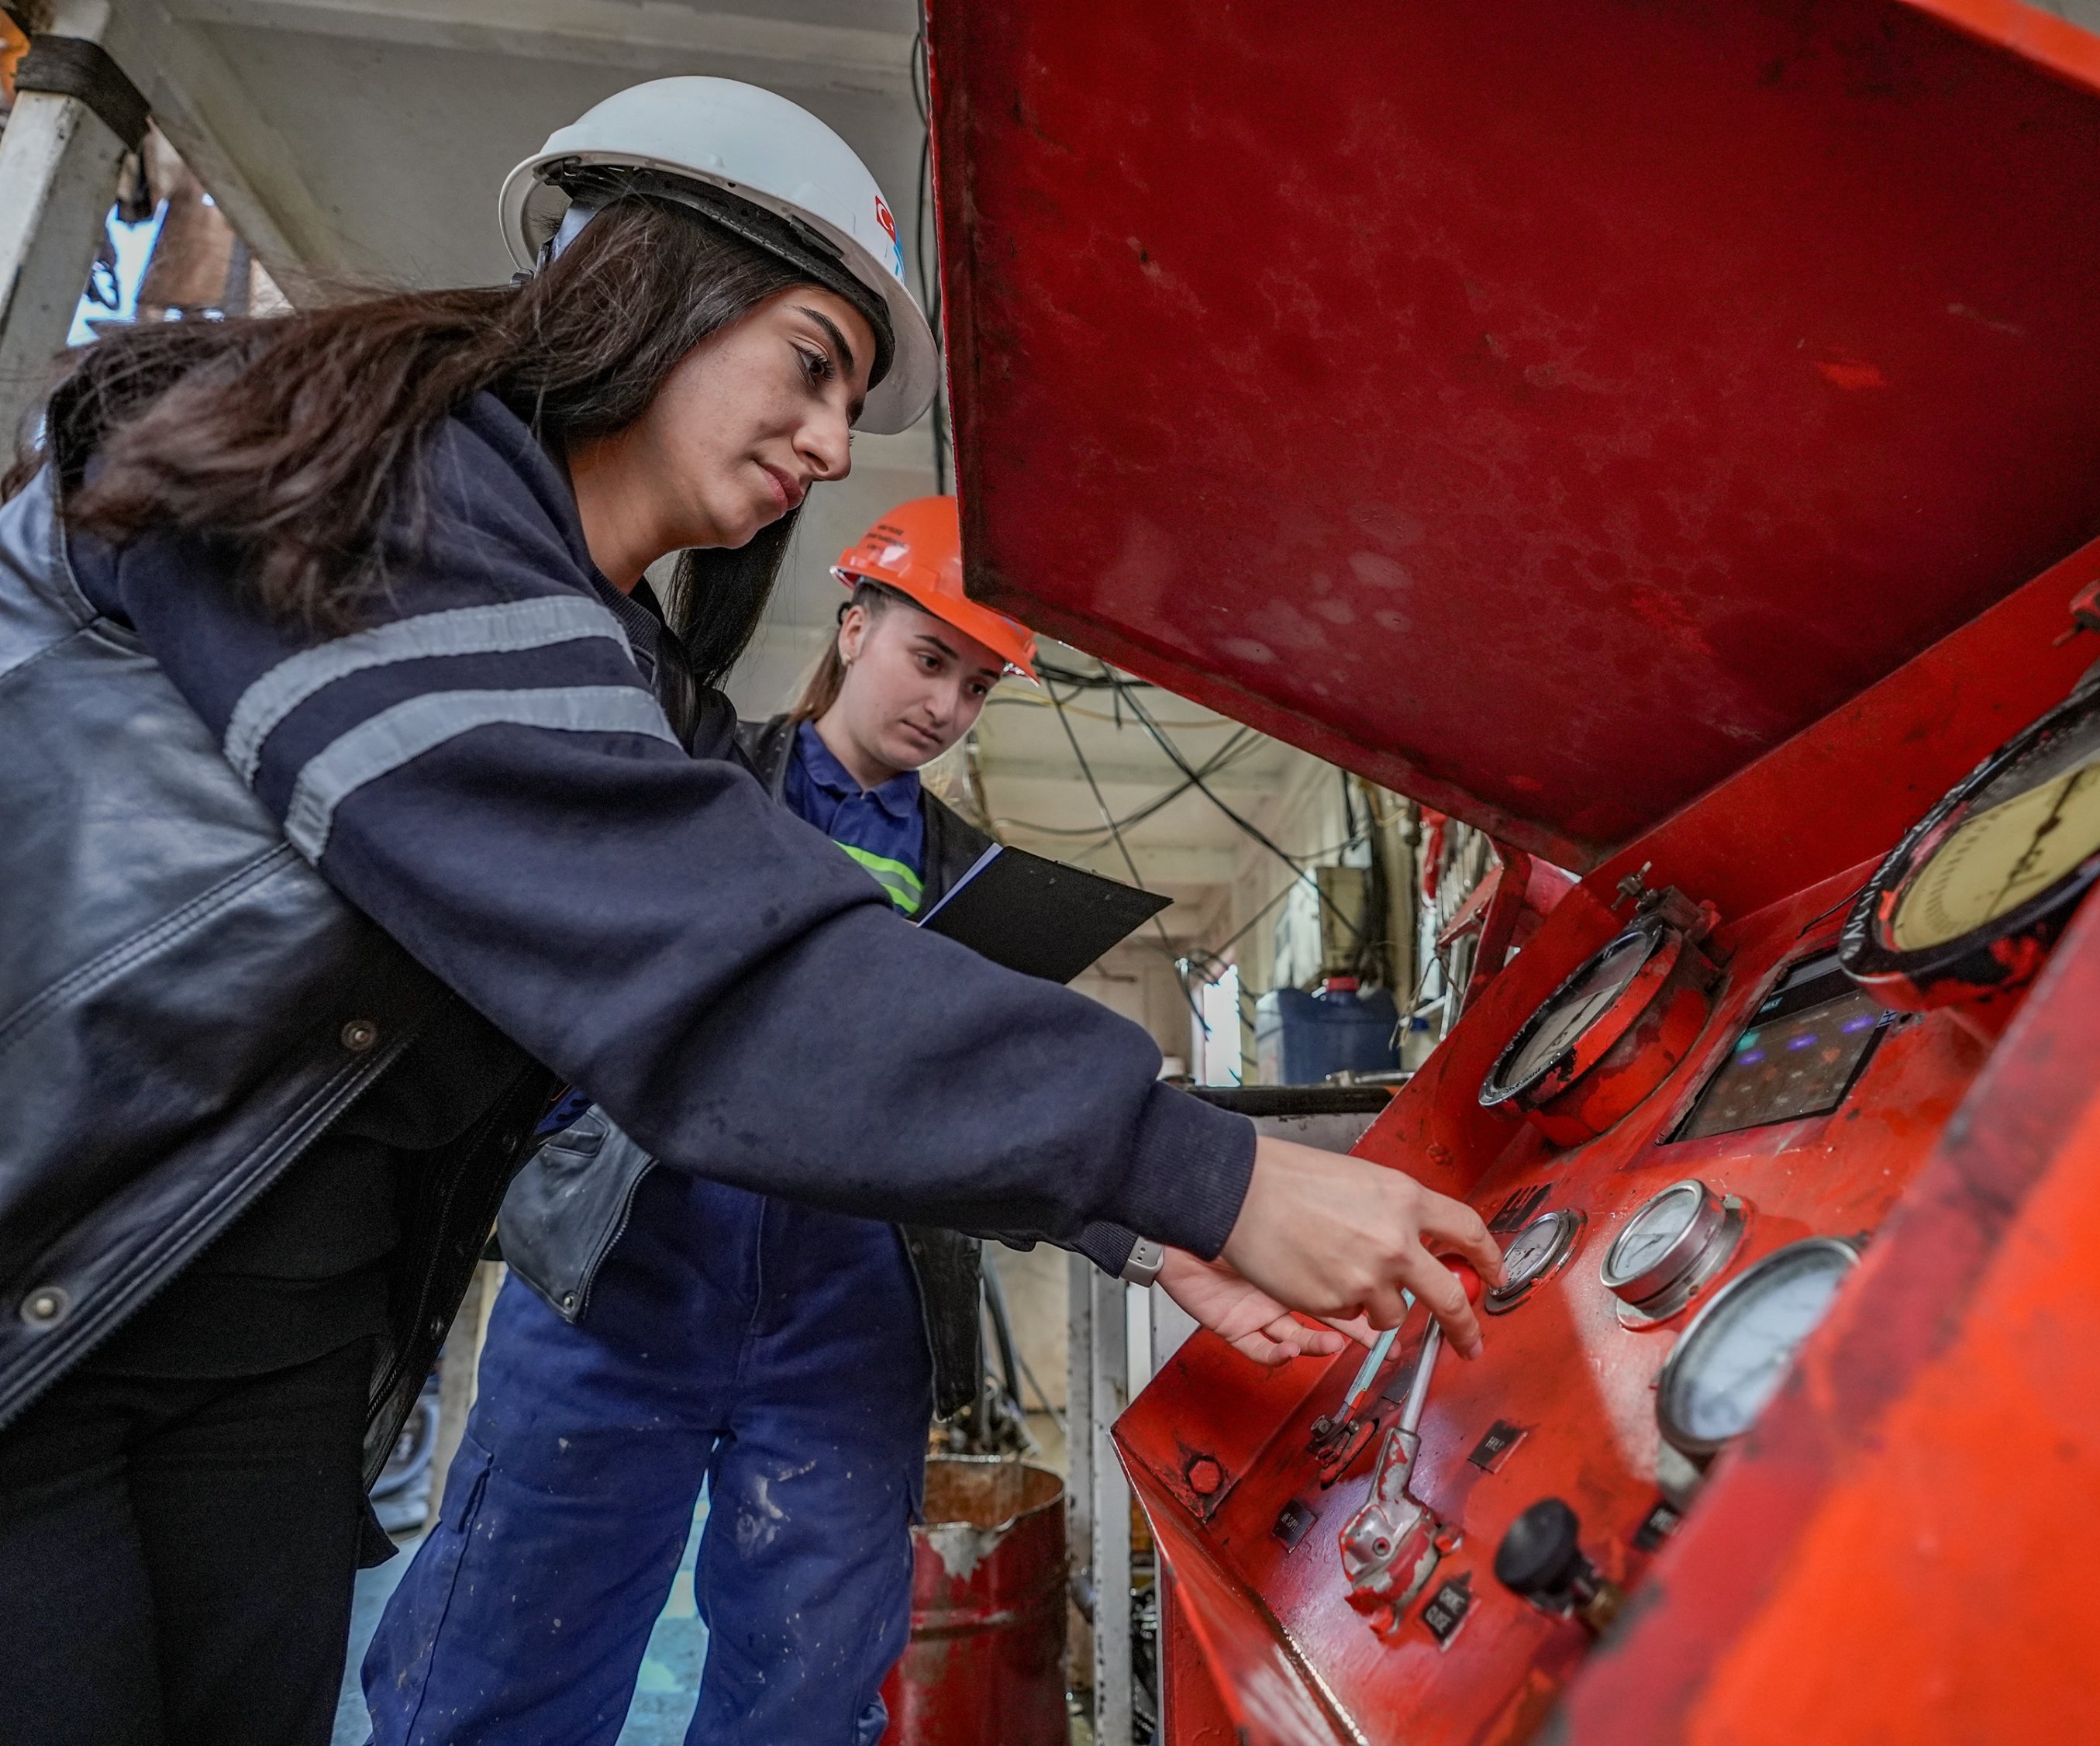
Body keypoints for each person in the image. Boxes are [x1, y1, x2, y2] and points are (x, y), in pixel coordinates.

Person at [0, 75, 1496, 1746]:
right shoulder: (372, 488)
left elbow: (786, 975)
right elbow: (725, 971)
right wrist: (1213, 1177)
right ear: (655, 277)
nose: (833, 444)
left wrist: (1146, 1233)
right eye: (811, 360)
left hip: (276, 1328)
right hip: (57, 1296)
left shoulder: (633, 688)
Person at [364, 498, 1346, 1744]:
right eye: (928, 658)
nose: (945, 705)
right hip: (628, 1286)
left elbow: (997, 1114)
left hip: (844, 1324)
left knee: (809, 1691)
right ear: (852, 625)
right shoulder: (699, 784)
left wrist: (1157, 1241)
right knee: (506, 1661)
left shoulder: (972, 880)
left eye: (976, 686)